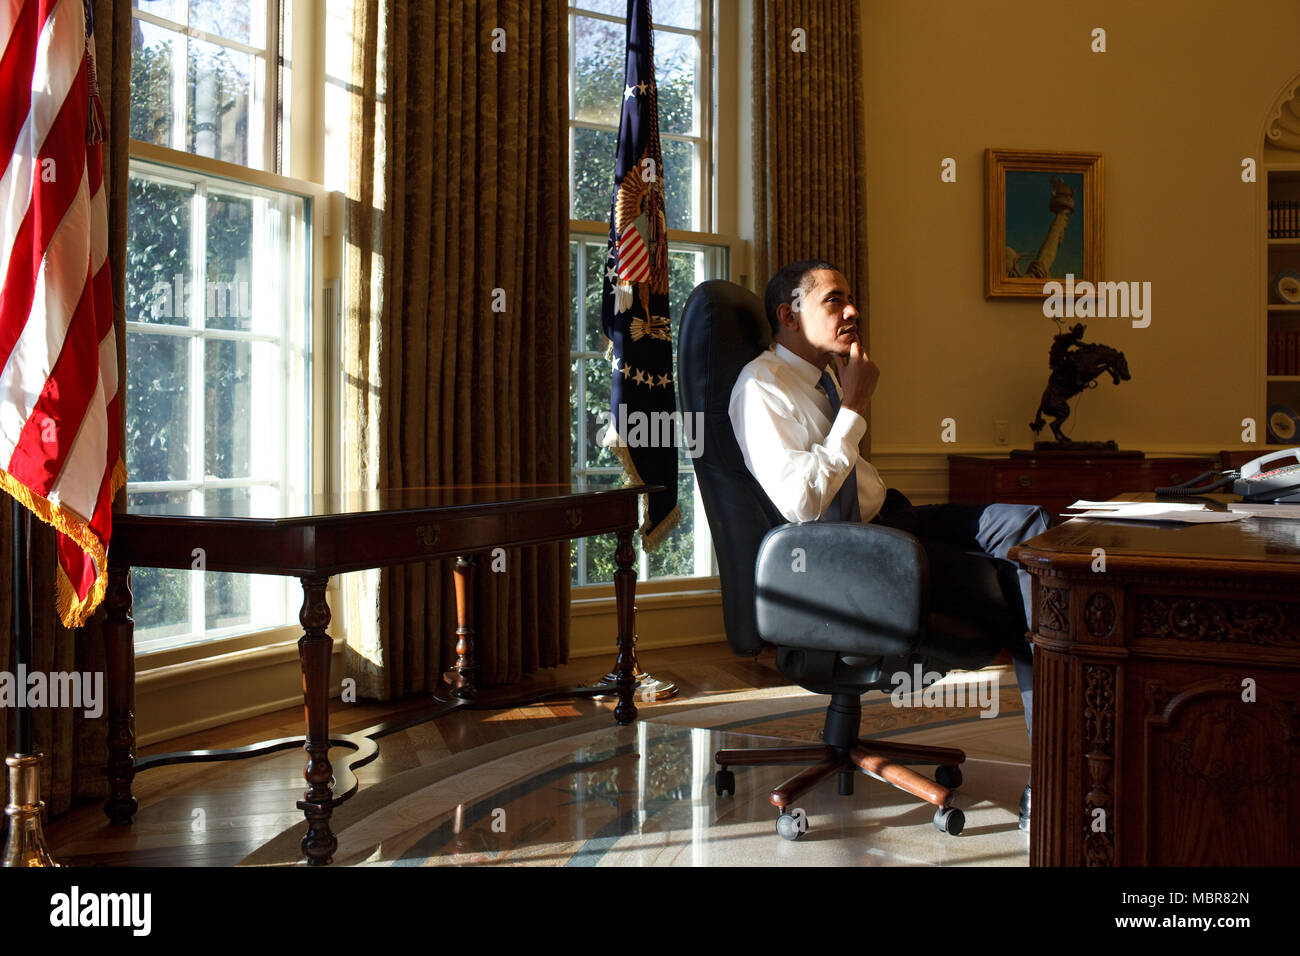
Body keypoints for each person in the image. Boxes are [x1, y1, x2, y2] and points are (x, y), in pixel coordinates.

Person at [728, 258, 1050, 831]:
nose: (852, 310)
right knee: (1021, 585)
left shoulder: (822, 376)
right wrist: (852, 408)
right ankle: (1058, 771)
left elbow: (851, 482)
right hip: (846, 561)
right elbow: (802, 504)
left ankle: (1061, 735)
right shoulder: (761, 387)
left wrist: (845, 398)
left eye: (851, 298)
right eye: (834, 300)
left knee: (1029, 527)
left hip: (890, 521)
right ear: (789, 315)